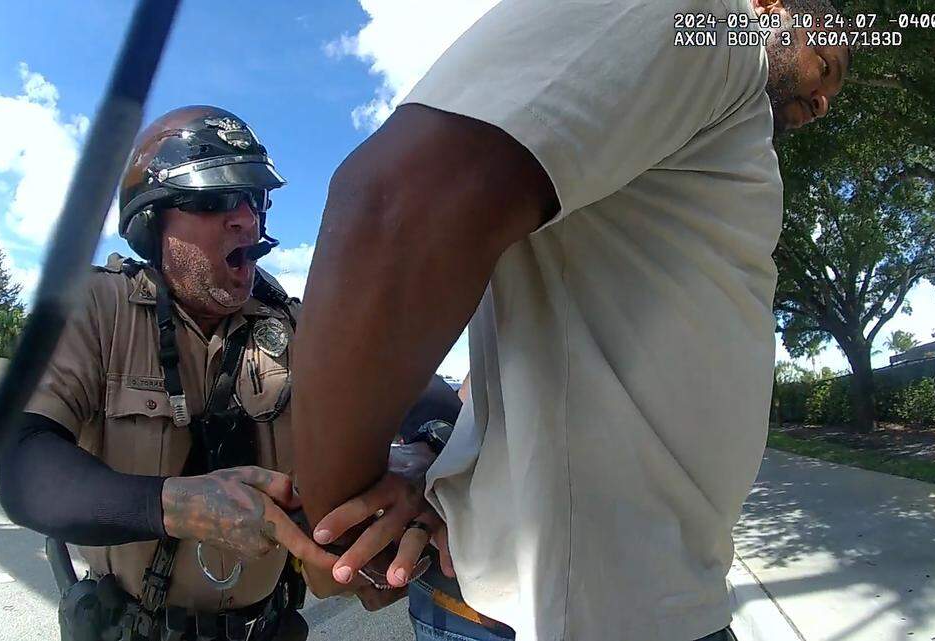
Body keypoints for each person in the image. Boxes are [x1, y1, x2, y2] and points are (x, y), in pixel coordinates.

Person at [284, 0, 851, 640]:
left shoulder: (712, 110)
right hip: (565, 616)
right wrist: (340, 529)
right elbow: (397, 206)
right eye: (825, 62)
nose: (826, 102)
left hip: (662, 597)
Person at [0, 105, 455, 641]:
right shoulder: (96, 309)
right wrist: (177, 505)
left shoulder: (297, 325)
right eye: (213, 200)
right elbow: (24, 465)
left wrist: (417, 466)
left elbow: (430, 398)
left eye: (254, 200)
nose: (246, 219)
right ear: (153, 219)